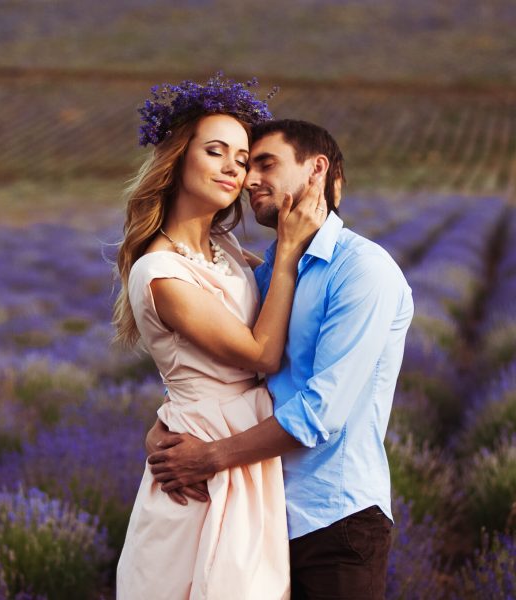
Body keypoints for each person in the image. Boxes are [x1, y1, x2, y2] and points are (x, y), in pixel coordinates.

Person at [147, 119, 415, 600]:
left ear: (316, 171)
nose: (249, 178)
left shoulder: (363, 270)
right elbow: (223, 368)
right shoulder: (271, 270)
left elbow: (321, 412)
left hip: (335, 520)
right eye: (249, 165)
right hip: (259, 513)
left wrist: (207, 458)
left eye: (265, 163)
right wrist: (168, 416)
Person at [114, 77, 328, 599]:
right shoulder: (160, 272)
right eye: (216, 152)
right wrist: (287, 252)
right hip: (201, 456)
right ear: (177, 160)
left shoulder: (225, 246)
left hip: (238, 446)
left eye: (244, 157)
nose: (235, 167)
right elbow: (261, 352)